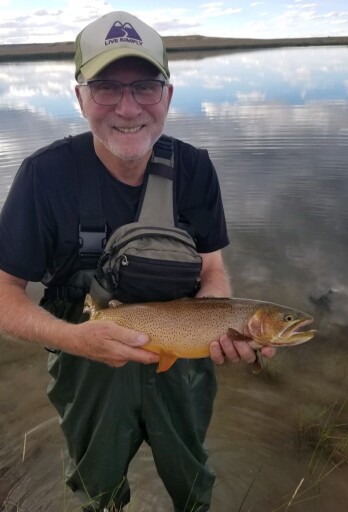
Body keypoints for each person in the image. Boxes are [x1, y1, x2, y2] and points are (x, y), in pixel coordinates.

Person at [0, 11, 275, 512]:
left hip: (184, 368)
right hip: (87, 365)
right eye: (106, 86)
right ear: (79, 95)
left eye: (146, 86)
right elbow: (4, 292)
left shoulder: (194, 169)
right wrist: (74, 339)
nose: (128, 108)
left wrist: (218, 323)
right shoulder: (43, 177)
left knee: (192, 483)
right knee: (97, 491)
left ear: (167, 95)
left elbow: (212, 270)